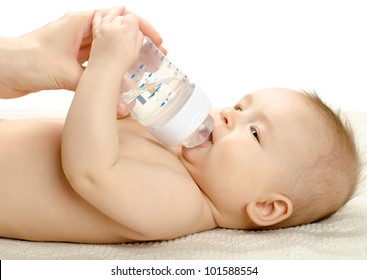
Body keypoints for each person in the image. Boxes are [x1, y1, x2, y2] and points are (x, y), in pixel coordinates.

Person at [0, 8, 361, 243]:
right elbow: (98, 129)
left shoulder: (183, 206)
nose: (228, 114)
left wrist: (106, 66)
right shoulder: (176, 151)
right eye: (239, 105)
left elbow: (90, 170)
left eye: (254, 132)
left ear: (266, 207)